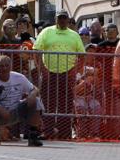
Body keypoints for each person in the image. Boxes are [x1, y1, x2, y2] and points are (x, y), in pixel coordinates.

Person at [33, 9, 86, 139]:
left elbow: (82, 55)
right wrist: (42, 69)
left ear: (68, 20)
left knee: (66, 104)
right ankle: (48, 131)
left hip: (67, 74)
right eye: (59, 18)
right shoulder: (46, 32)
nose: (62, 20)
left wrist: (76, 71)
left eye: (64, 18)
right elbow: (36, 50)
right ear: (55, 19)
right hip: (49, 73)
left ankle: (64, 133)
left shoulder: (74, 35)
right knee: (48, 103)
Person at [0, 54, 43, 146]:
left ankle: (33, 136)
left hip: (16, 110)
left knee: (37, 101)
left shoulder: (19, 78)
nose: (4, 68)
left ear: (11, 67)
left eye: (7, 66)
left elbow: (35, 89)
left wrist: (32, 95)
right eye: (1, 66)